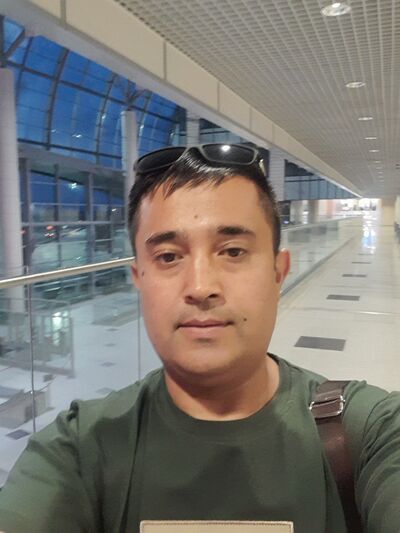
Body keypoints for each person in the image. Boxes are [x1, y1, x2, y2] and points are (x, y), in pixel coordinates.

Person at [0, 144, 399, 533]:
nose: (201, 286)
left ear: (278, 272)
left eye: (233, 251)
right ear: (139, 279)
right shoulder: (78, 448)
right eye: (168, 256)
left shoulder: (369, 432)